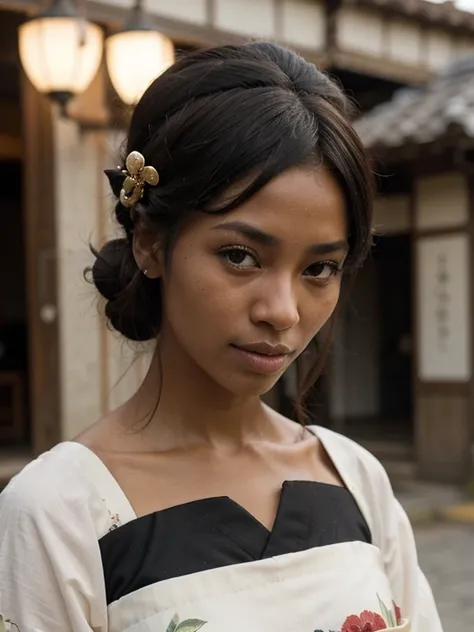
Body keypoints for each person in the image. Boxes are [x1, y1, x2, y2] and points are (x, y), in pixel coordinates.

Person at [0, 42, 442, 632]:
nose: (282, 312)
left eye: (319, 269)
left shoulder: (354, 478)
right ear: (151, 243)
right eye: (239, 256)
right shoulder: (60, 512)